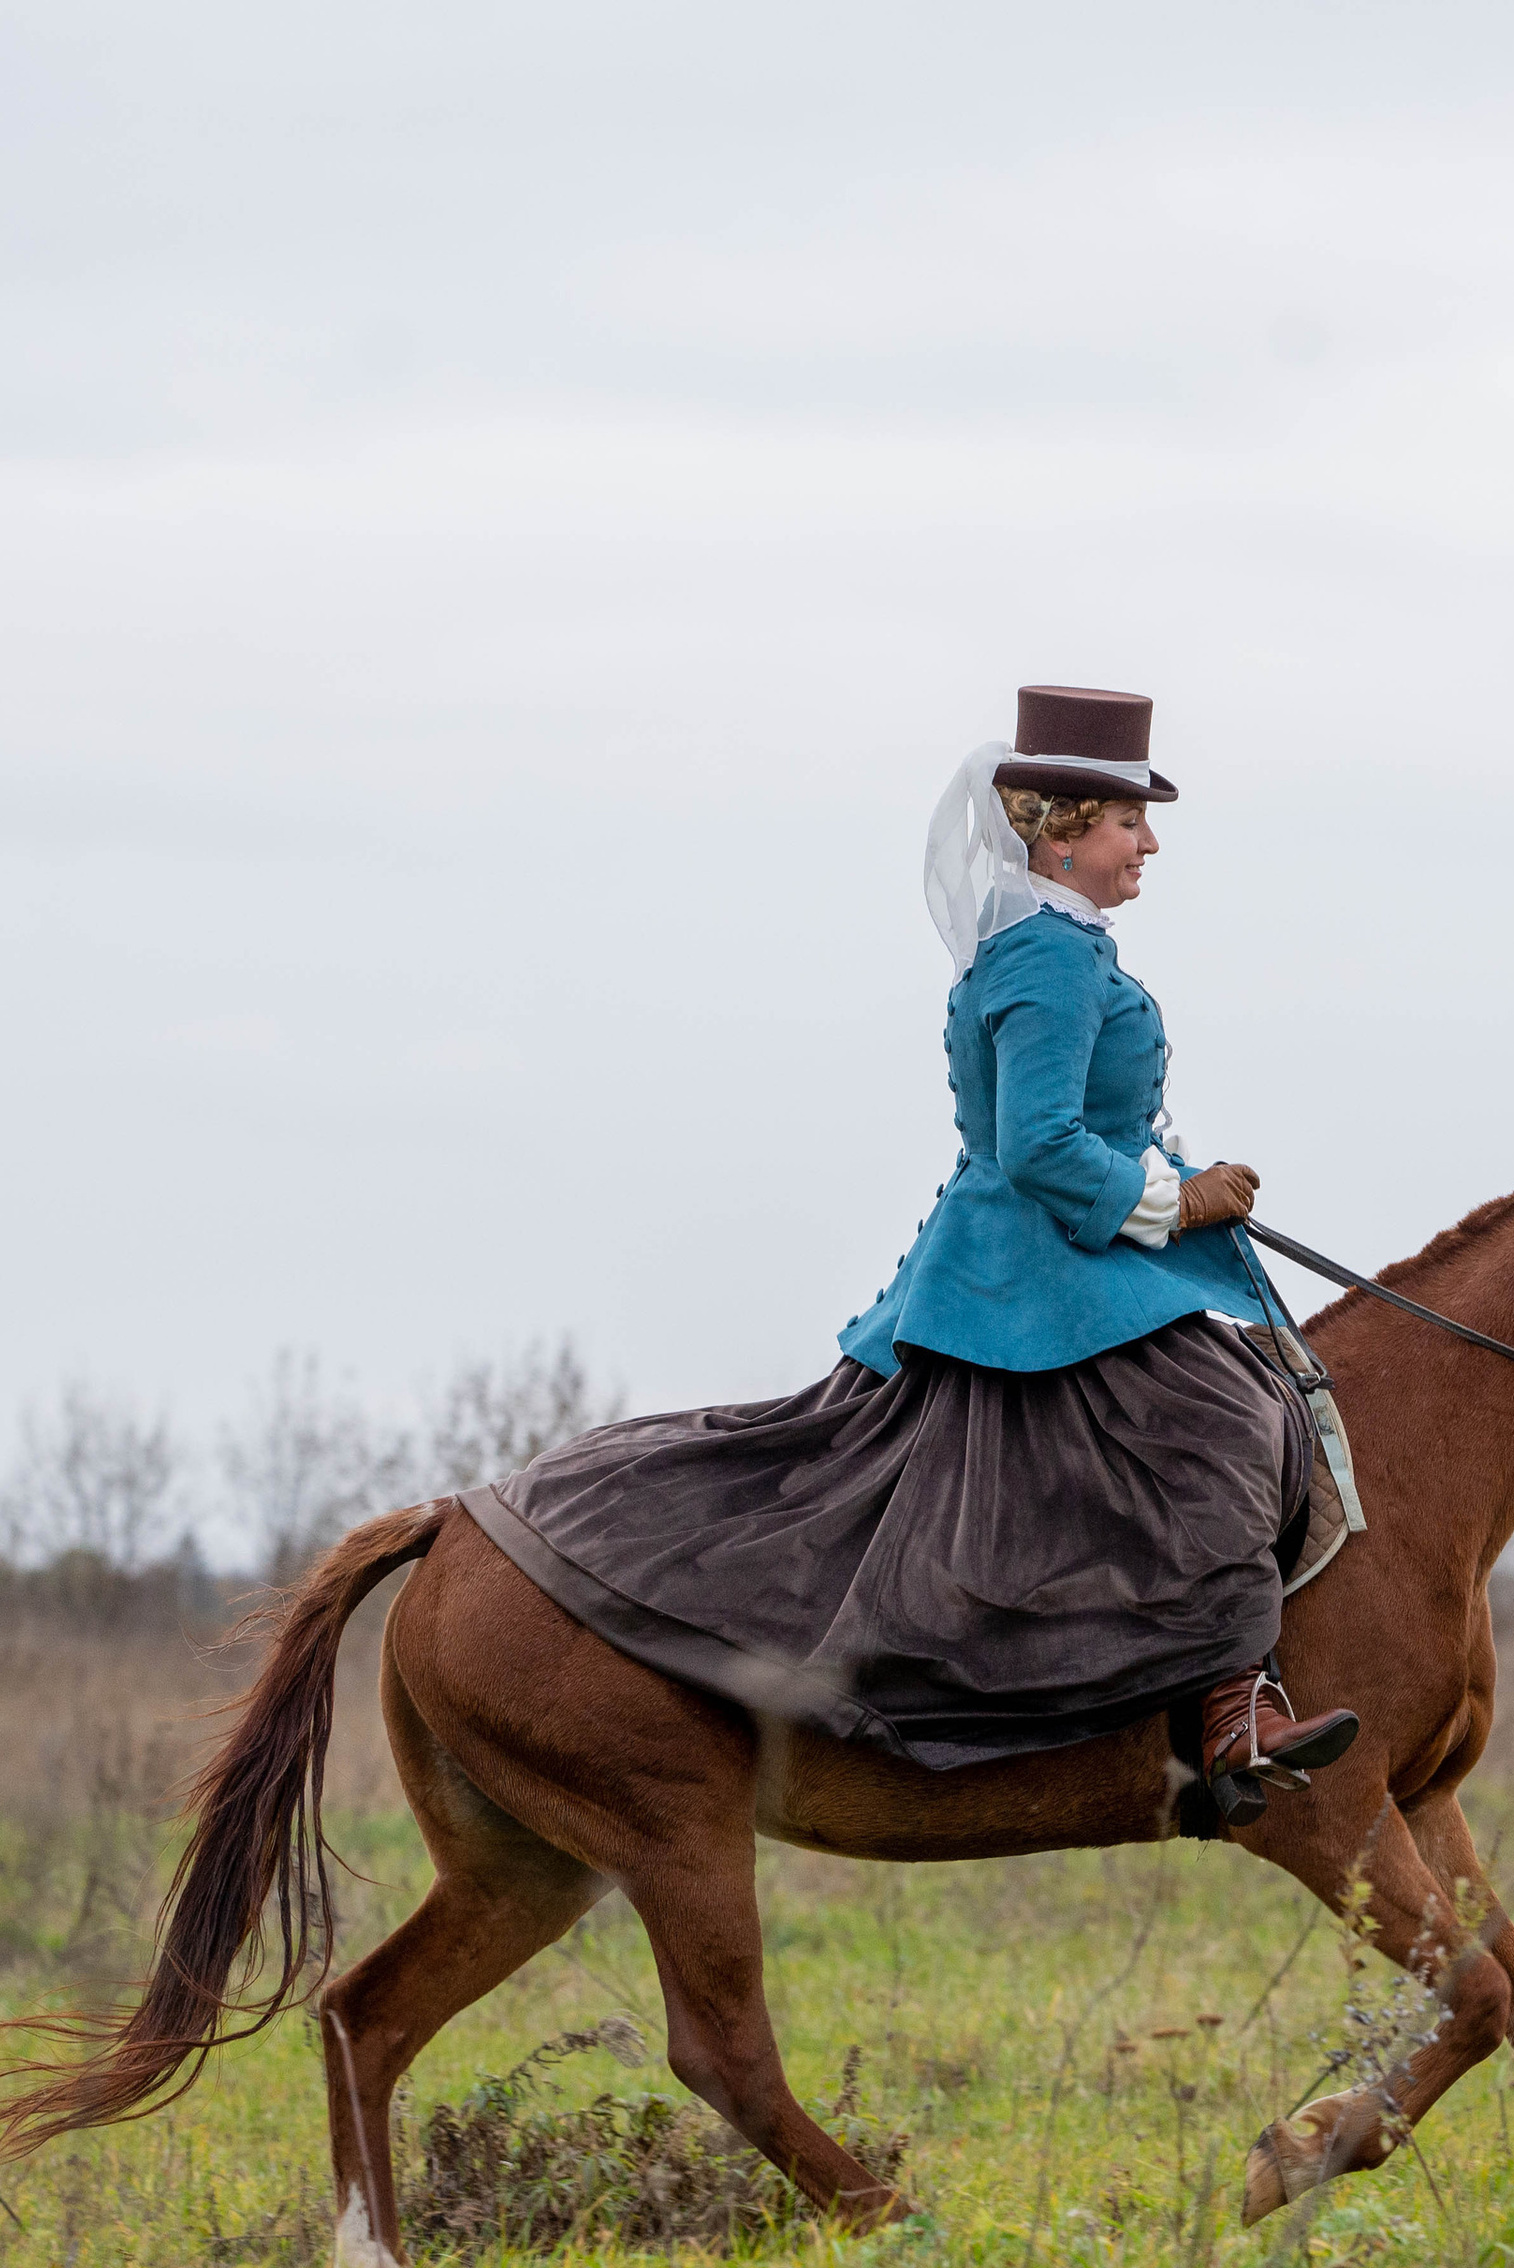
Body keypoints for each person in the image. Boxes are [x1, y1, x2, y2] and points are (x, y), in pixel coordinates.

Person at [460, 685, 1356, 1814]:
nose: (1150, 842)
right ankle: (1231, 1714)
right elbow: (1038, 1147)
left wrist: (1180, 1185)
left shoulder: (1053, 942)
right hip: (1038, 1276)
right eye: (1131, 822)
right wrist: (1174, 1207)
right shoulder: (1050, 959)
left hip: (1050, 1261)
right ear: (1062, 831)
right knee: (1224, 1422)